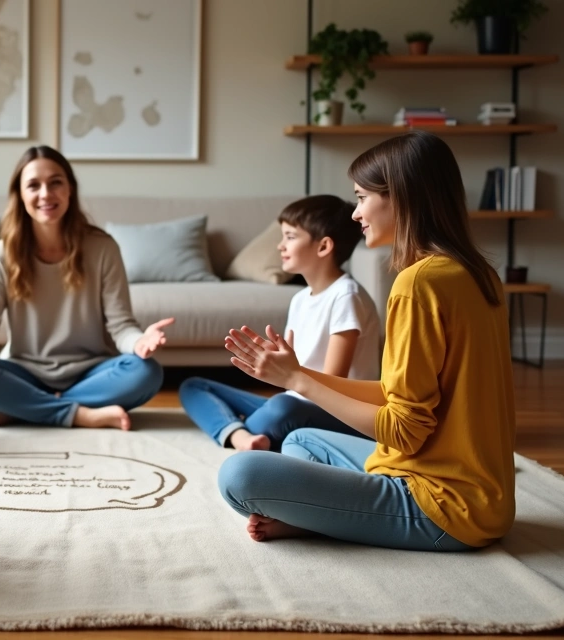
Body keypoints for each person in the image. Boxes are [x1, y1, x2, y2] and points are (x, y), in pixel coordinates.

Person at [219, 131, 515, 551]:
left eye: (362, 198)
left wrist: (301, 384)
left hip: (443, 508)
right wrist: (298, 372)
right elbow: (398, 395)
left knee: (239, 476)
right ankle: (327, 516)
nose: (356, 214)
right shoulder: (478, 274)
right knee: (301, 439)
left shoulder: (419, 284)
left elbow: (404, 431)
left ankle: (325, 518)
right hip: (483, 498)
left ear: (403, 198)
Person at [0, 145, 172, 431]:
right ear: (20, 195)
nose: (45, 194)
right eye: (33, 186)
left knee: (146, 372)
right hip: (24, 371)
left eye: (55, 183)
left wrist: (139, 342)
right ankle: (80, 414)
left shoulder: (103, 249)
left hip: (90, 372)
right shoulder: (2, 254)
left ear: (70, 190)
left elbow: (121, 325)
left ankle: (26, 408)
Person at [179, 195, 380, 451]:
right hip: (295, 402)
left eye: (290, 237)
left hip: (335, 413)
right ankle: (245, 437)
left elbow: (333, 383)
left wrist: (287, 374)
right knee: (194, 386)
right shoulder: (299, 299)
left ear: (323, 247)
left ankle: (237, 431)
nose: (280, 246)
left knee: (282, 407)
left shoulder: (346, 296)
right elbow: (292, 371)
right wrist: (274, 363)